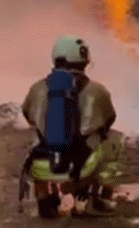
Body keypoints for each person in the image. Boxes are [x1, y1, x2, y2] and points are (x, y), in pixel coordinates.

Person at [21, 35, 125, 217]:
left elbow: (28, 115)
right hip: (81, 166)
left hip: (43, 164)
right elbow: (109, 119)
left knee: (34, 138)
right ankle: (99, 197)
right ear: (84, 60)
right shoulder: (97, 90)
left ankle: (44, 193)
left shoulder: (37, 88)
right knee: (115, 139)